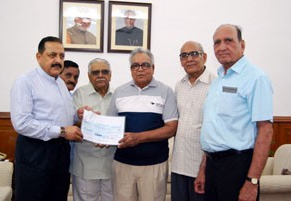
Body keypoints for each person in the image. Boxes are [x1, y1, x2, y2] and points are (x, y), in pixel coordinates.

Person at [194, 24, 273, 201]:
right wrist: (203, 169)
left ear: (242, 45)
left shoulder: (256, 78)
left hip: (237, 167)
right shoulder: (218, 80)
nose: (222, 47)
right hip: (212, 166)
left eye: (228, 41)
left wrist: (252, 182)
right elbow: (214, 129)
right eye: (217, 42)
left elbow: (265, 131)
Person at [10, 36, 84, 201]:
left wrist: (78, 114)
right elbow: (22, 123)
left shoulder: (60, 84)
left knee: (57, 196)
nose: (58, 60)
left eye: (61, 56)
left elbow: (62, 116)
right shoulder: (25, 82)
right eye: (52, 55)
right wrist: (63, 131)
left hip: (60, 153)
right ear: (39, 57)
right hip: (36, 152)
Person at [107, 48, 178, 201]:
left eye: (145, 65)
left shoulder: (166, 92)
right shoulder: (119, 92)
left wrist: (138, 138)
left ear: (153, 68)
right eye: (135, 66)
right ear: (130, 69)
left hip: (154, 165)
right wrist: (103, 137)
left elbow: (171, 129)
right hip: (122, 164)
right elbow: (110, 126)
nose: (140, 69)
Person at [171, 41, 215, 201]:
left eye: (194, 54)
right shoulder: (179, 86)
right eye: (184, 56)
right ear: (181, 61)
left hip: (202, 165)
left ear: (204, 57)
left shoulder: (215, 84)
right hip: (179, 164)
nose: (189, 59)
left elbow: (216, 128)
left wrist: (205, 166)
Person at [70, 58, 115, 201]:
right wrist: (83, 119)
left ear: (110, 75)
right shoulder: (79, 94)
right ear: (89, 76)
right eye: (95, 72)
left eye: (105, 72)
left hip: (112, 164)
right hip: (85, 164)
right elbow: (71, 124)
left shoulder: (119, 95)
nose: (100, 75)